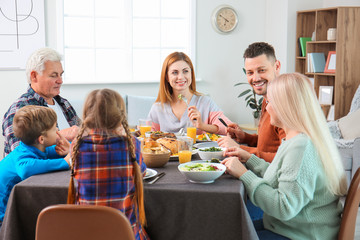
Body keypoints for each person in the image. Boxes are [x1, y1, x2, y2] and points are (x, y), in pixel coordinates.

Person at [222, 73, 347, 240]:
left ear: (285, 107)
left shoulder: (301, 147)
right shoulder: (295, 139)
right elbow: (280, 177)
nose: (266, 108)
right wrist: (250, 159)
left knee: (224, 229)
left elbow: (284, 207)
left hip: (301, 235)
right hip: (292, 227)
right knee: (229, 226)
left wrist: (244, 175)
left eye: (271, 102)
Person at [68, 89, 149, 240]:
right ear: (119, 116)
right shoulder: (132, 144)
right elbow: (142, 172)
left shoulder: (76, 146)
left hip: (87, 235)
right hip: (126, 234)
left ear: (86, 115)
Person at [2, 47, 81, 157]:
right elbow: (19, 153)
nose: (60, 80)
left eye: (61, 74)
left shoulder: (64, 104)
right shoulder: (19, 109)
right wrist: (60, 136)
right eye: (53, 75)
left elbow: (82, 139)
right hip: (39, 174)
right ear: (34, 76)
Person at [0, 105, 70, 227]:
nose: (58, 130)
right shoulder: (22, 157)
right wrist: (65, 162)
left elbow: (58, 151)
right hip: (4, 216)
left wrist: (69, 149)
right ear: (41, 139)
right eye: (54, 129)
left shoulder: (37, 147)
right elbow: (25, 169)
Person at [217, 42, 286, 163]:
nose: (256, 78)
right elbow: (268, 143)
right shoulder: (267, 99)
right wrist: (245, 137)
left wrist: (240, 148)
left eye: (262, 70)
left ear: (277, 66)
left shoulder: (284, 105)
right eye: (250, 72)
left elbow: (285, 159)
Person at [148, 52, 232, 135]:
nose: (181, 77)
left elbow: (228, 128)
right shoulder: (158, 108)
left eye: (185, 71)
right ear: (167, 77)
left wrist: (202, 126)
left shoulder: (205, 103)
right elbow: (148, 136)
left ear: (191, 74)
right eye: (175, 72)